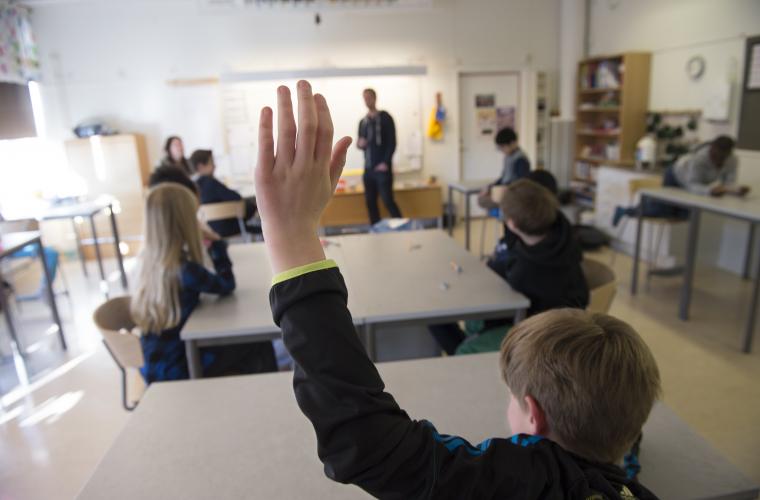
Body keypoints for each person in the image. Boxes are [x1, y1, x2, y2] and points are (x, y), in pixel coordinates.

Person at [254, 81, 661, 498]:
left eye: (513, 399)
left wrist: (291, 233)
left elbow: (371, 445)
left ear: (533, 417)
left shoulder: (526, 484)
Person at [131, 183, 276, 383]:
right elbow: (226, 285)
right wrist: (216, 243)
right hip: (181, 367)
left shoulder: (145, 265)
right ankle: (267, 390)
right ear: (186, 222)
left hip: (154, 365)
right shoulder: (185, 270)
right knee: (258, 344)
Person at [431, 178, 589, 354]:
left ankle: (464, 356)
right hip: (571, 320)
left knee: (462, 342)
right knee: (469, 322)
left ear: (512, 224)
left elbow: (505, 299)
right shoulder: (563, 233)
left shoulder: (524, 271)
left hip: (544, 335)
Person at [612, 136, 750, 226]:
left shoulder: (732, 160)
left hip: (696, 183)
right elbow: (692, 184)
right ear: (712, 150)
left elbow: (729, 182)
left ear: (729, 154)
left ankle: (651, 202)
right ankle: (625, 211)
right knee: (662, 211)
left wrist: (734, 190)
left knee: (685, 215)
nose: (718, 162)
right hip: (675, 176)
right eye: (716, 157)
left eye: (723, 158)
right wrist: (710, 190)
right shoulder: (699, 158)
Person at [357, 88, 402, 225]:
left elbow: (392, 142)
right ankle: (375, 230)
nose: (367, 101)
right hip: (368, 169)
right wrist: (360, 144)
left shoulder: (385, 117)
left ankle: (403, 229)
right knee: (370, 202)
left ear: (375, 98)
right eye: (364, 98)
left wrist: (385, 162)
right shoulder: (363, 122)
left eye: (369, 97)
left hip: (382, 169)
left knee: (388, 200)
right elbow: (360, 143)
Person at [189, 149, 257, 238]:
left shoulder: (192, 185)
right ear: (201, 166)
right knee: (251, 206)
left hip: (208, 229)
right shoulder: (210, 182)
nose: (214, 166)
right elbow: (236, 197)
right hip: (227, 227)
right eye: (211, 162)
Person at [477, 127, 531, 207]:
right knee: (482, 197)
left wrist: (501, 189)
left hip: (514, 195)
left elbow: (521, 183)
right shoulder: (508, 157)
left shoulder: (521, 159)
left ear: (513, 143)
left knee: (483, 200)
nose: (501, 150)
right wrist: (490, 187)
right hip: (505, 190)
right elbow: (503, 178)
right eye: (499, 148)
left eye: (503, 147)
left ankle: (504, 212)